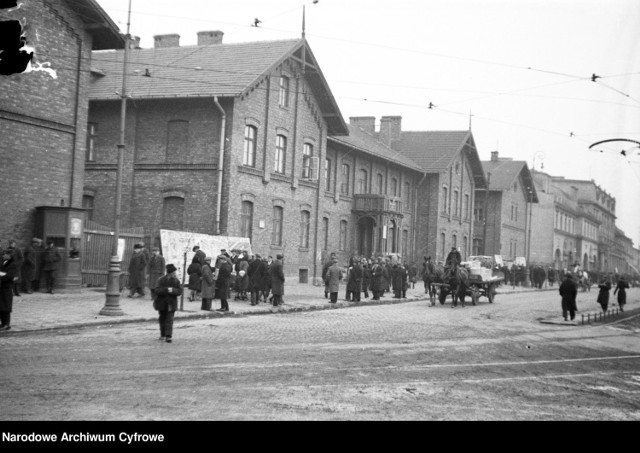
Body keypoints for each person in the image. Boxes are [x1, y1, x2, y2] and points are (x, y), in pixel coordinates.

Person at [153, 263, 182, 343]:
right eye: (174, 273)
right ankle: (162, 334)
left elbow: (179, 291)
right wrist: (166, 289)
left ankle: (168, 336)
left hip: (171, 304)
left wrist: (172, 290)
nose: (175, 274)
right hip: (162, 303)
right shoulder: (161, 280)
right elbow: (157, 290)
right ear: (170, 273)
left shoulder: (176, 281)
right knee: (162, 319)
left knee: (169, 320)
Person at [1, 249, 20, 330]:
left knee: (6, 307)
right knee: (1, 306)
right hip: (2, 287)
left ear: (10, 255)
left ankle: (7, 324)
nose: (3, 255)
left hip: (7, 287)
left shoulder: (13, 264)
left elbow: (10, 276)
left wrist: (1, 276)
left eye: (5, 254)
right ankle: (3, 323)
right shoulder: (4, 262)